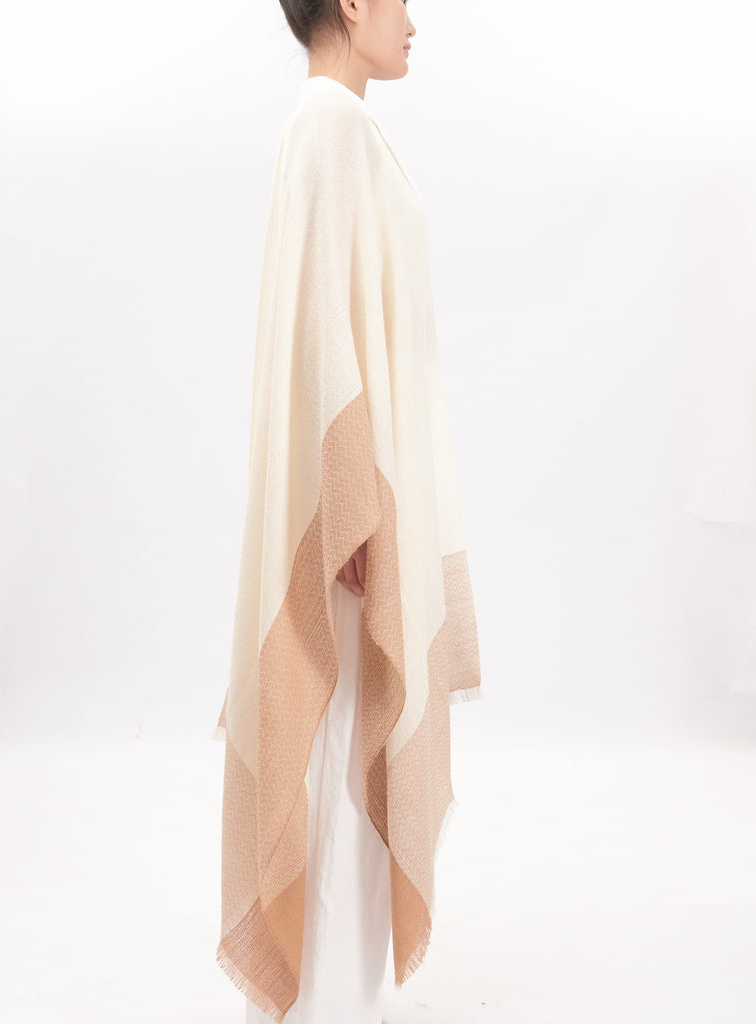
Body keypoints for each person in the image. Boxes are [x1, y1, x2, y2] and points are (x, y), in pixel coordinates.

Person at [212, 1, 483, 1021]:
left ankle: (328, 998)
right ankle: (323, 1003)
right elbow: (324, 327)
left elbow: (337, 320)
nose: (417, 20)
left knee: (342, 743)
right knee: (335, 744)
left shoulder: (331, 125)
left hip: (362, 498)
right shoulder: (331, 125)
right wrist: (349, 501)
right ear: (354, 3)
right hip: (356, 517)